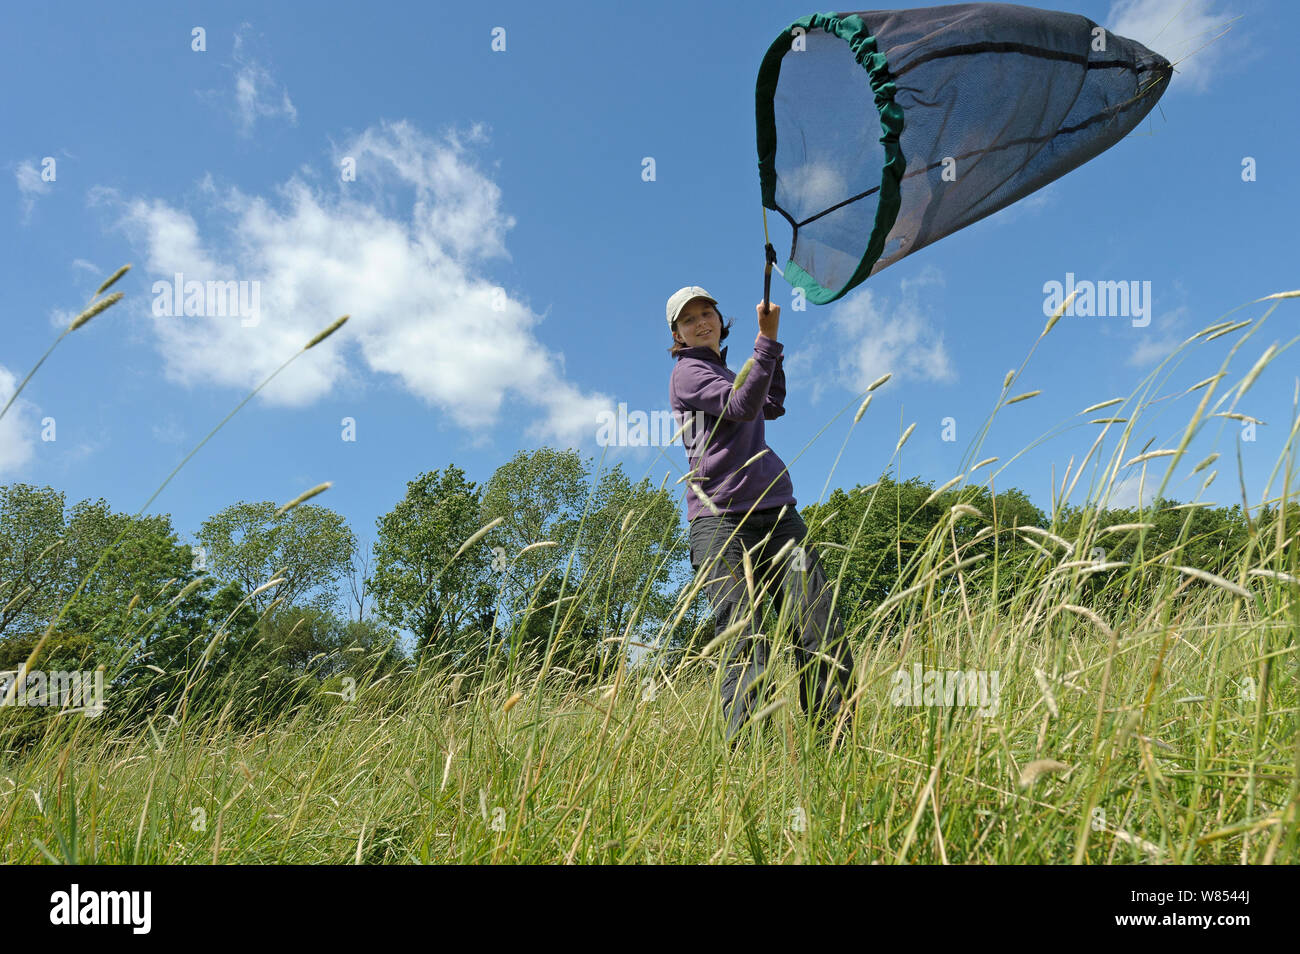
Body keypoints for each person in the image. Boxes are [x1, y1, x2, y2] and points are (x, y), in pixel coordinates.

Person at [666, 285, 855, 745]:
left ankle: (836, 750)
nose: (701, 322)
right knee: (744, 641)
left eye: (707, 312)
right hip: (721, 523)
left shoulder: (729, 370)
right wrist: (766, 341)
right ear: (678, 335)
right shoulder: (689, 373)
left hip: (776, 517)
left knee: (818, 625)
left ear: (719, 318)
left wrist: (771, 354)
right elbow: (741, 405)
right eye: (689, 320)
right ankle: (746, 766)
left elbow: (770, 403)